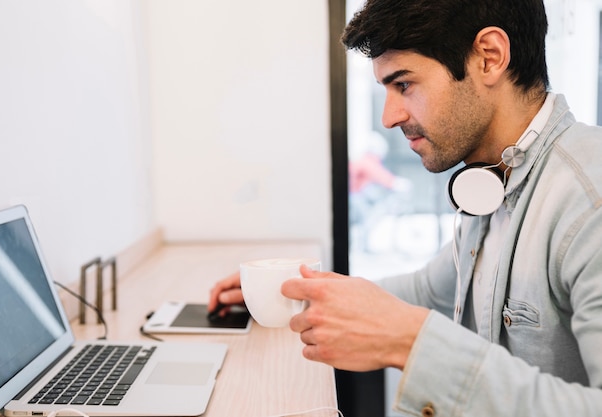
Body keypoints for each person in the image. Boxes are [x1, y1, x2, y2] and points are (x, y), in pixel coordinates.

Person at [208, 0, 602, 415]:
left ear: (489, 57)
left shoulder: (588, 203)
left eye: (404, 85)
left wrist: (411, 344)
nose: (388, 117)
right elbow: (428, 291)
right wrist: (298, 294)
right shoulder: (492, 177)